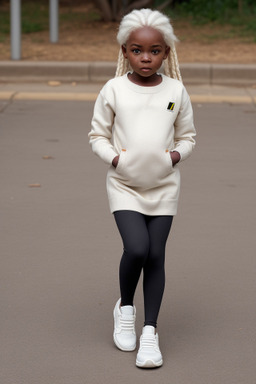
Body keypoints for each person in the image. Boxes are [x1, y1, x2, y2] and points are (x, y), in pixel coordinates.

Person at [88, 8, 196, 368]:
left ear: (167, 53)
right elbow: (97, 135)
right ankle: (126, 308)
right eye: (136, 50)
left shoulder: (176, 90)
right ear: (124, 52)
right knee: (136, 248)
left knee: (156, 256)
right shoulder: (114, 89)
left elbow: (188, 136)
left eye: (154, 51)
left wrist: (174, 157)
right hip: (125, 186)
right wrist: (116, 160)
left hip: (164, 186)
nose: (145, 58)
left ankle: (150, 333)